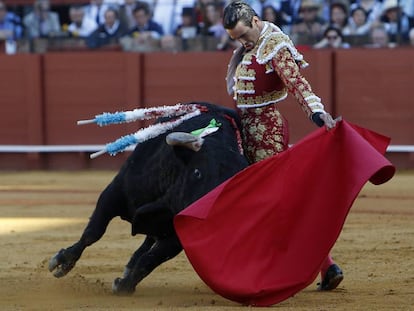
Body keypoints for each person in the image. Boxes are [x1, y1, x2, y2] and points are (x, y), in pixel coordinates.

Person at [223, 1, 343, 291]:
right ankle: (326, 266)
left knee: (276, 205)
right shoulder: (250, 45)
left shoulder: (275, 44)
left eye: (242, 35)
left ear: (254, 20)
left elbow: (296, 83)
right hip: (246, 131)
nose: (240, 42)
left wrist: (316, 112)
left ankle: (289, 268)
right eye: (235, 38)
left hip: (267, 133)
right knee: (273, 203)